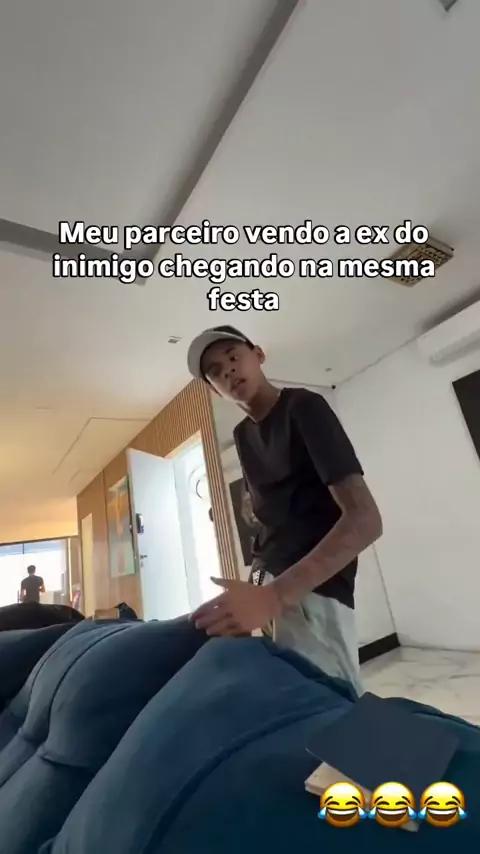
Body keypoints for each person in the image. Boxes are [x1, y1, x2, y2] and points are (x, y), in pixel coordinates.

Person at [187, 325, 383, 693]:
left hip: (312, 591)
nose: (228, 370)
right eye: (215, 371)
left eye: (233, 356)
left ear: (259, 355)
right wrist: (254, 591)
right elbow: (271, 521)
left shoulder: (303, 407)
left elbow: (366, 520)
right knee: (288, 705)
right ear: (213, 390)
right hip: (268, 583)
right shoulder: (243, 435)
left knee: (330, 707)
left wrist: (275, 595)